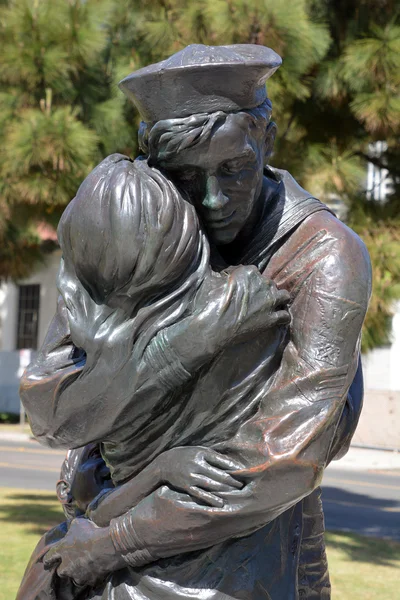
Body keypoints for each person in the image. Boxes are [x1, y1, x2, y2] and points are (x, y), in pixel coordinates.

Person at [19, 45, 371, 599]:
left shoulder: (324, 257)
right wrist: (192, 338)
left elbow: (283, 459)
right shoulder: (130, 227)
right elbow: (50, 408)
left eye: (234, 169)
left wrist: (115, 544)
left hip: (246, 569)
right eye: (187, 175)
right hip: (102, 540)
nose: (213, 199)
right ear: (153, 161)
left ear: (267, 142)